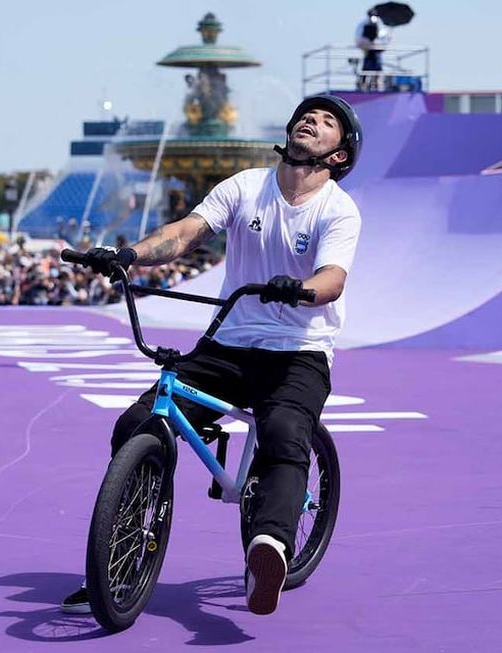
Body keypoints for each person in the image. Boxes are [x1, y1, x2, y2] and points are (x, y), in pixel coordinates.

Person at [60, 94, 363, 616]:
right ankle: (120, 560)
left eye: (326, 121)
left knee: (284, 433)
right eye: (306, 115)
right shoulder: (246, 186)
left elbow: (333, 278)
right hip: (228, 345)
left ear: (338, 154)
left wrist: (303, 289)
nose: (311, 121)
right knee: (137, 423)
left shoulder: (339, 209)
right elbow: (185, 233)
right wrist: (128, 255)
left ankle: (270, 550)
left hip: (298, 351)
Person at [355, 9, 390, 92]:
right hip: (368, 51)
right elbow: (359, 38)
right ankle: (362, 85)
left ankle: (376, 86)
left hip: (376, 51)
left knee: (377, 70)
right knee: (366, 69)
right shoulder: (363, 24)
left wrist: (379, 43)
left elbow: (384, 39)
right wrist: (366, 44)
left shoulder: (381, 26)